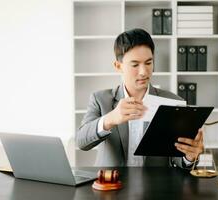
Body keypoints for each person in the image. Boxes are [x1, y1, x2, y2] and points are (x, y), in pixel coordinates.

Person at [76, 28, 203, 169]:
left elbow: (178, 159)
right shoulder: (100, 99)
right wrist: (111, 118)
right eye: (135, 65)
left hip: (156, 187)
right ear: (118, 66)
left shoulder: (173, 102)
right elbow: (81, 141)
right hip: (111, 186)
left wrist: (189, 157)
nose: (143, 72)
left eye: (148, 63)